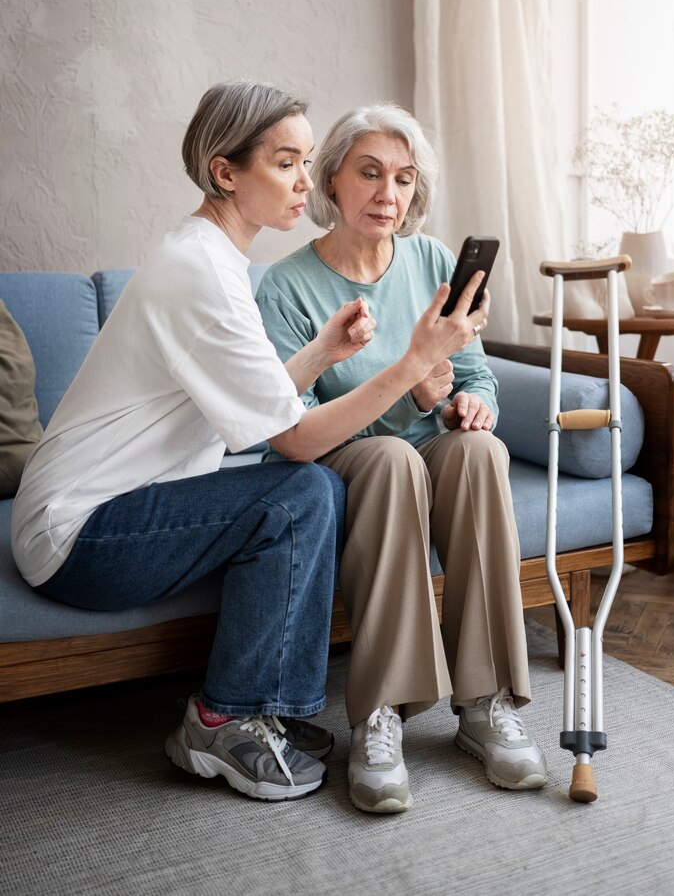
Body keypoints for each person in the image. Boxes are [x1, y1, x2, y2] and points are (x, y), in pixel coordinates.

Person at [10, 82, 488, 805]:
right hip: (82, 533)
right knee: (303, 491)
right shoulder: (201, 274)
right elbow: (294, 440)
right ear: (226, 172)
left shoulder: (210, 258)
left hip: (115, 511)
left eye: (305, 162)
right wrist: (413, 364)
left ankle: (272, 713)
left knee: (312, 490)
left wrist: (322, 354)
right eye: (287, 162)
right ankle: (220, 717)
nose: (306, 181)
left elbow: (262, 406)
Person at [256, 102, 547, 814]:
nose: (389, 193)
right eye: (371, 173)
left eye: (405, 179)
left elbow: (474, 372)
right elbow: (299, 427)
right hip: (344, 461)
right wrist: (414, 399)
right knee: (391, 458)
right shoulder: (287, 285)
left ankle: (485, 703)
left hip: (427, 445)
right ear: (332, 179)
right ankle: (379, 715)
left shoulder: (433, 260)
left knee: (480, 452)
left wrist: (471, 406)